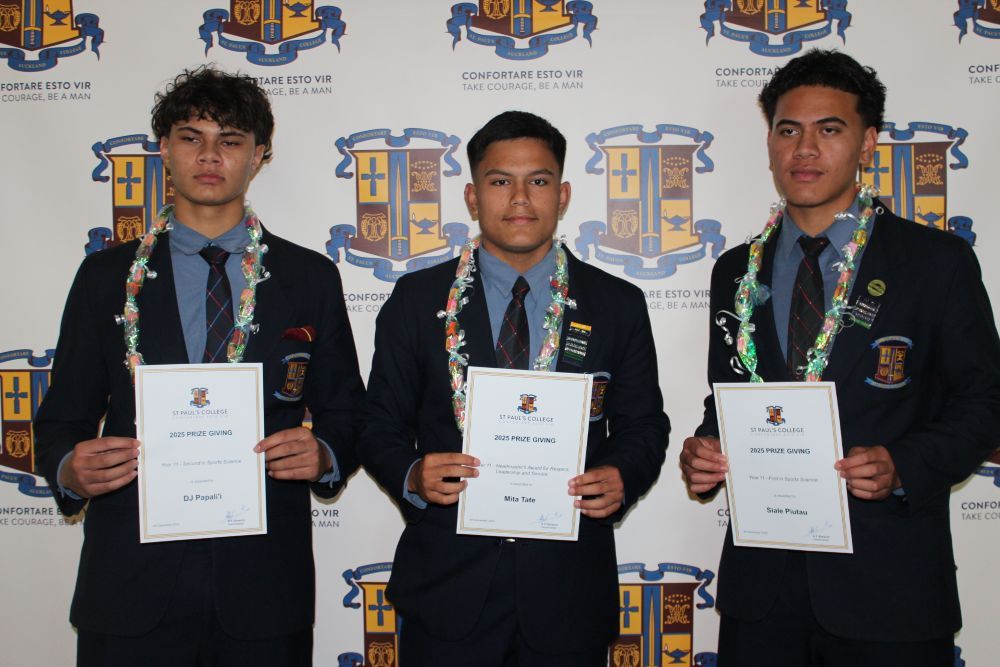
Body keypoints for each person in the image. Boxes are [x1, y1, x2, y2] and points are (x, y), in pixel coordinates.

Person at [34, 66, 365, 666]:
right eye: (191, 138)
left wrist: (324, 454)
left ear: (258, 155)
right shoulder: (105, 277)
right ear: (164, 149)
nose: (210, 156)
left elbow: (347, 411)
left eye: (230, 140)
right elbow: (62, 418)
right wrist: (68, 468)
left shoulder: (309, 277)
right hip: (130, 579)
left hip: (264, 583)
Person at [679, 49, 1000, 666]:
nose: (805, 150)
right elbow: (732, 397)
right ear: (770, 142)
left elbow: (985, 405)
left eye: (829, 130)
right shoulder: (734, 271)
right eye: (788, 130)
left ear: (867, 142)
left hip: (890, 590)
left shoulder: (936, 263)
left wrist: (902, 465)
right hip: (763, 593)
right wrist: (706, 448)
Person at [359, 110, 669, 666]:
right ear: (472, 196)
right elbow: (378, 423)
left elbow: (644, 424)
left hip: (569, 589)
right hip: (448, 590)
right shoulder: (416, 300)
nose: (520, 198)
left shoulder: (617, 304)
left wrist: (622, 474)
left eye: (539, 181)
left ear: (563, 195)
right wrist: (412, 473)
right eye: (501, 181)